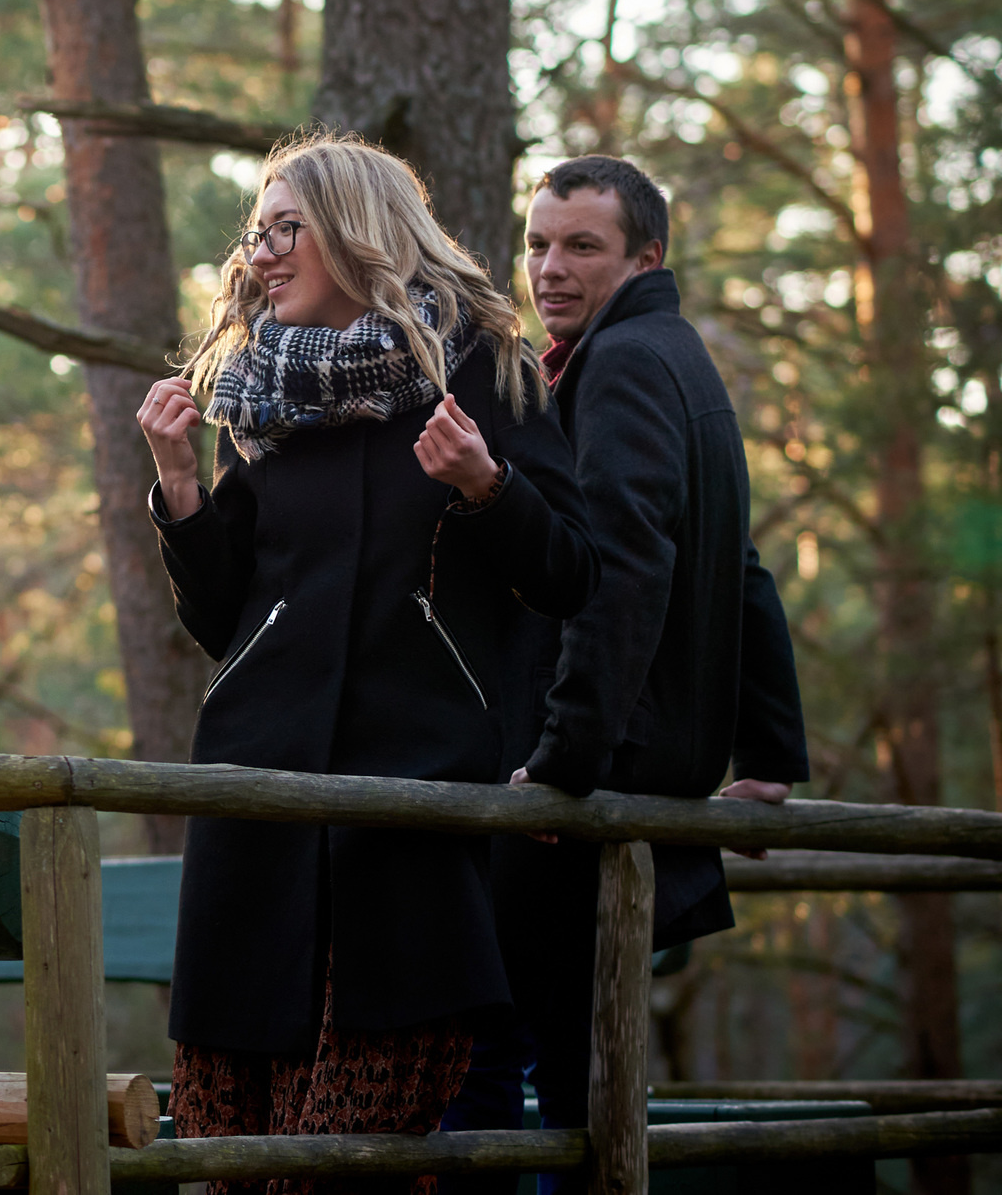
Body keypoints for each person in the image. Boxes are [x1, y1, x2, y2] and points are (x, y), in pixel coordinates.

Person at [136, 135, 598, 1195]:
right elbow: (226, 620)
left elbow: (572, 572)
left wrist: (489, 485)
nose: (259, 252)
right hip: (255, 809)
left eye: (284, 226)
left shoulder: (480, 364)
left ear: (357, 227)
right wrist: (177, 488)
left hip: (407, 809)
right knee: (225, 1162)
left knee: (345, 1162)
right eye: (256, 230)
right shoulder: (252, 391)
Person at [443, 156, 810, 1184]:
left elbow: (625, 565)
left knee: (509, 1061)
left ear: (645, 254)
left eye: (581, 246)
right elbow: (738, 568)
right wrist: (770, 750)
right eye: (537, 243)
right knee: (567, 1068)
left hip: (594, 773)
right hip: (626, 762)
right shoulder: (670, 353)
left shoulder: (624, 364)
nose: (549, 268)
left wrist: (565, 759)